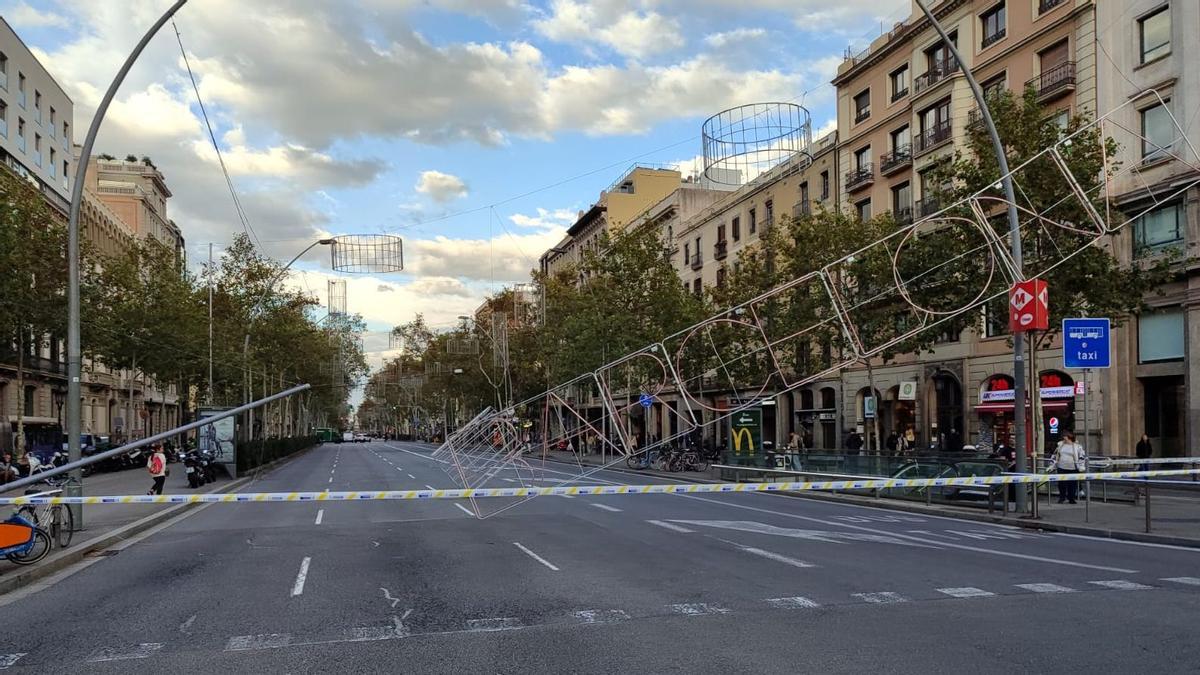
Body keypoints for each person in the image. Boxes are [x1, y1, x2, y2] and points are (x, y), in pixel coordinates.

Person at [1051, 432, 1085, 504]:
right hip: (1061, 467)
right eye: (1063, 436)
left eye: (1065, 436)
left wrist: (1081, 466)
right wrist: (1052, 465)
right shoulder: (1060, 445)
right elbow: (1055, 455)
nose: (1064, 438)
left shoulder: (1077, 446)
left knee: (1072, 484)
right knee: (1061, 484)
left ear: (1070, 437)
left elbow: (1081, 456)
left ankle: (1071, 498)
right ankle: (1062, 498)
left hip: (1073, 468)